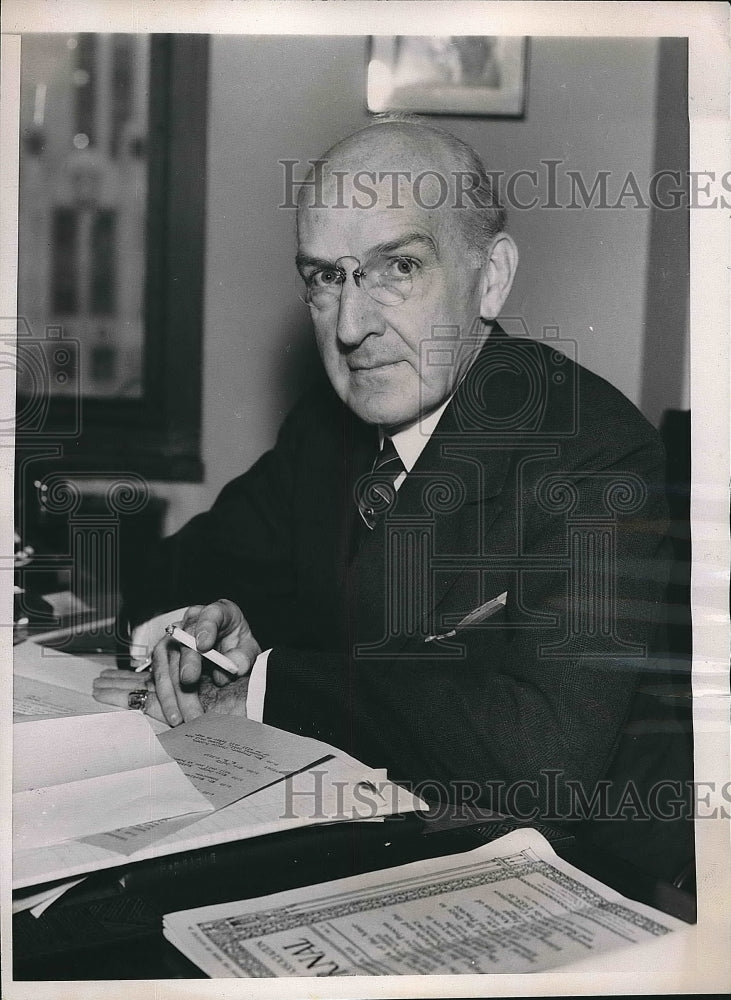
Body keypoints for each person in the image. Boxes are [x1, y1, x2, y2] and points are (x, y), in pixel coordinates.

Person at [94, 118, 693, 881]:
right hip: (368, 837)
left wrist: (271, 683)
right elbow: (178, 575)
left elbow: (546, 759)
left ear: (490, 278)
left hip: (583, 877)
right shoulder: (327, 426)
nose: (351, 327)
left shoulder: (596, 453)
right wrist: (214, 630)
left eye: (398, 267)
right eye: (324, 277)